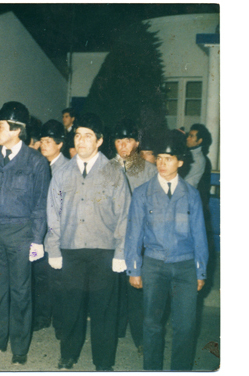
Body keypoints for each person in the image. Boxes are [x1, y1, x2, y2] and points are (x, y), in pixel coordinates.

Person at [45, 113, 130, 371]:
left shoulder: (114, 172)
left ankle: (103, 363)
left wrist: (120, 253)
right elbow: (53, 211)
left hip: (103, 252)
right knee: (70, 307)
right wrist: (54, 247)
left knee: (104, 310)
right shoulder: (62, 172)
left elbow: (125, 214)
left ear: (100, 141)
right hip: (70, 251)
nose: (81, 141)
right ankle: (68, 354)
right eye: (78, 135)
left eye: (88, 136)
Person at [124, 130, 208, 371]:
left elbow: (200, 235)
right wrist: (134, 268)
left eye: (168, 159)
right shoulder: (142, 194)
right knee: (151, 324)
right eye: (159, 158)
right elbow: (134, 234)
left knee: (185, 326)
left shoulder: (191, 195)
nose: (161, 163)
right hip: (154, 265)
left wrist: (200, 272)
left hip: (185, 267)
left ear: (180, 162)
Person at [0, 102, 51, 366]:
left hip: (21, 232)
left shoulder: (36, 162)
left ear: (17, 130)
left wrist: (37, 238)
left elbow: (41, 203)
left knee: (20, 291)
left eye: (0, 126)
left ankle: (20, 347)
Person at [111, 119, 157, 353]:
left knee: (137, 291)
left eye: (128, 140)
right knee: (113, 290)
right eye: (118, 140)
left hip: (138, 240)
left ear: (137, 143)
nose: (123, 145)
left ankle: (140, 338)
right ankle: (116, 331)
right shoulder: (106, 167)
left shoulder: (149, 171)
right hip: (112, 239)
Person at [33, 119, 68, 334]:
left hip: (59, 233)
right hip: (40, 230)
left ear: (60, 144)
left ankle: (60, 320)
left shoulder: (67, 168)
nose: (43, 145)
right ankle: (42, 315)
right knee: (40, 276)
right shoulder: (37, 164)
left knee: (59, 279)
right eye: (42, 141)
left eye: (48, 141)